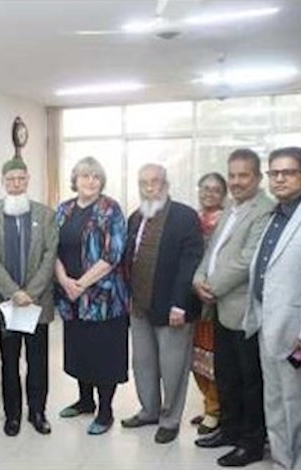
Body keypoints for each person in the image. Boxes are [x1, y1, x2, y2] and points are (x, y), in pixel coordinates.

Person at [193, 149, 273, 467]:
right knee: (225, 375)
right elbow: (212, 249)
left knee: (249, 380)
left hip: (244, 311)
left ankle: (251, 443)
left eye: (244, 175)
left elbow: (247, 260)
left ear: (257, 177)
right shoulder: (231, 208)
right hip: (220, 309)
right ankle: (229, 429)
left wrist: (211, 286)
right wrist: (198, 278)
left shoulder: (265, 210)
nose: (237, 181)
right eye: (233, 175)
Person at [121, 163, 204, 444]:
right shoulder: (135, 217)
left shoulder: (185, 216)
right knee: (143, 363)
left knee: (173, 367)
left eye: (155, 182)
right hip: (140, 306)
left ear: (166, 185)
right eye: (143, 182)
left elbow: (190, 263)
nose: (149, 187)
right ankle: (149, 410)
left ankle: (170, 419)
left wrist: (180, 304)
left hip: (173, 308)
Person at [243, 147, 301, 469]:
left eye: (289, 172)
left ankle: (300, 463)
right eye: (274, 173)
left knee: (296, 404)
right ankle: (283, 460)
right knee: (274, 399)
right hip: (265, 321)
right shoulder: (274, 214)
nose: (280, 178)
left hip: (295, 329)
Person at [0, 157, 59, 437]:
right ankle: (12, 415)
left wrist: (30, 292)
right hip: (6, 304)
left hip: (37, 304)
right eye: (10, 179)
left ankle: (37, 412)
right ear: (3, 182)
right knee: (9, 361)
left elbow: (51, 256)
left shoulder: (46, 215)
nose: (15, 184)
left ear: (28, 180)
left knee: (38, 361)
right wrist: (13, 292)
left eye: (20, 179)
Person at [54, 157, 129, 435]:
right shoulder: (63, 210)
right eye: (85, 176)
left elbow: (113, 254)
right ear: (75, 179)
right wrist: (64, 280)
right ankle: (84, 401)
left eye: (96, 177)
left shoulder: (111, 210)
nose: (90, 181)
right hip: (71, 298)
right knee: (79, 351)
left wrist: (81, 284)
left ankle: (105, 411)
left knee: (103, 355)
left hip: (104, 300)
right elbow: (52, 251)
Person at [190, 172, 227, 436]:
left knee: (214, 357)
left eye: (215, 189)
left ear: (223, 194)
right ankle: (208, 404)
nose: (209, 193)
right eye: (205, 188)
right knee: (197, 358)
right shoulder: (193, 218)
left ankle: (216, 410)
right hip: (193, 297)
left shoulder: (227, 220)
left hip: (217, 298)